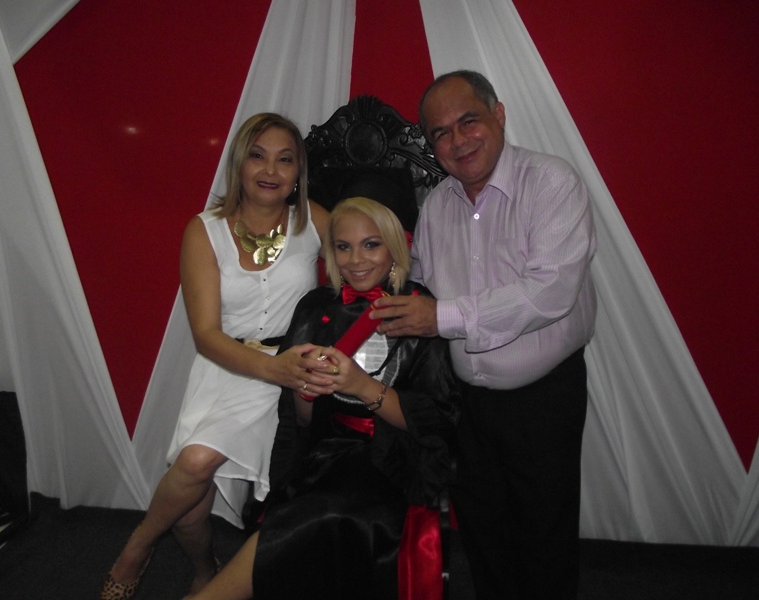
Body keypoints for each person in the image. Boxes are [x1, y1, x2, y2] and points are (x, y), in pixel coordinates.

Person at [371, 70, 598, 599]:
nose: (458, 141)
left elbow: (549, 292)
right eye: (441, 133)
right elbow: (419, 284)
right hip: (465, 402)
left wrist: (440, 317)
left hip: (542, 399)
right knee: (483, 534)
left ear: (498, 115)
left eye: (468, 121)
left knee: (544, 537)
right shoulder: (436, 206)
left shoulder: (551, 182)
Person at [100, 113, 335, 600]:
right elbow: (206, 335)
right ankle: (199, 567)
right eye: (258, 156)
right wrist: (271, 368)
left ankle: (137, 550)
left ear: (298, 172)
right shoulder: (204, 231)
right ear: (239, 163)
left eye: (285, 160)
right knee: (190, 505)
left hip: (286, 377)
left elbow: (362, 267)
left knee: (195, 463)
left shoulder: (314, 220)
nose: (270, 170)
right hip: (225, 366)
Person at [188, 196, 460, 600]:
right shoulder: (315, 307)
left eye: (371, 245)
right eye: (343, 246)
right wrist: (307, 388)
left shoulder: (419, 310)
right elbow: (300, 421)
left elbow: (436, 421)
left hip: (395, 460)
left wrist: (361, 387)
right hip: (327, 453)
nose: (356, 260)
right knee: (309, 509)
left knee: (327, 512)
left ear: (394, 248)